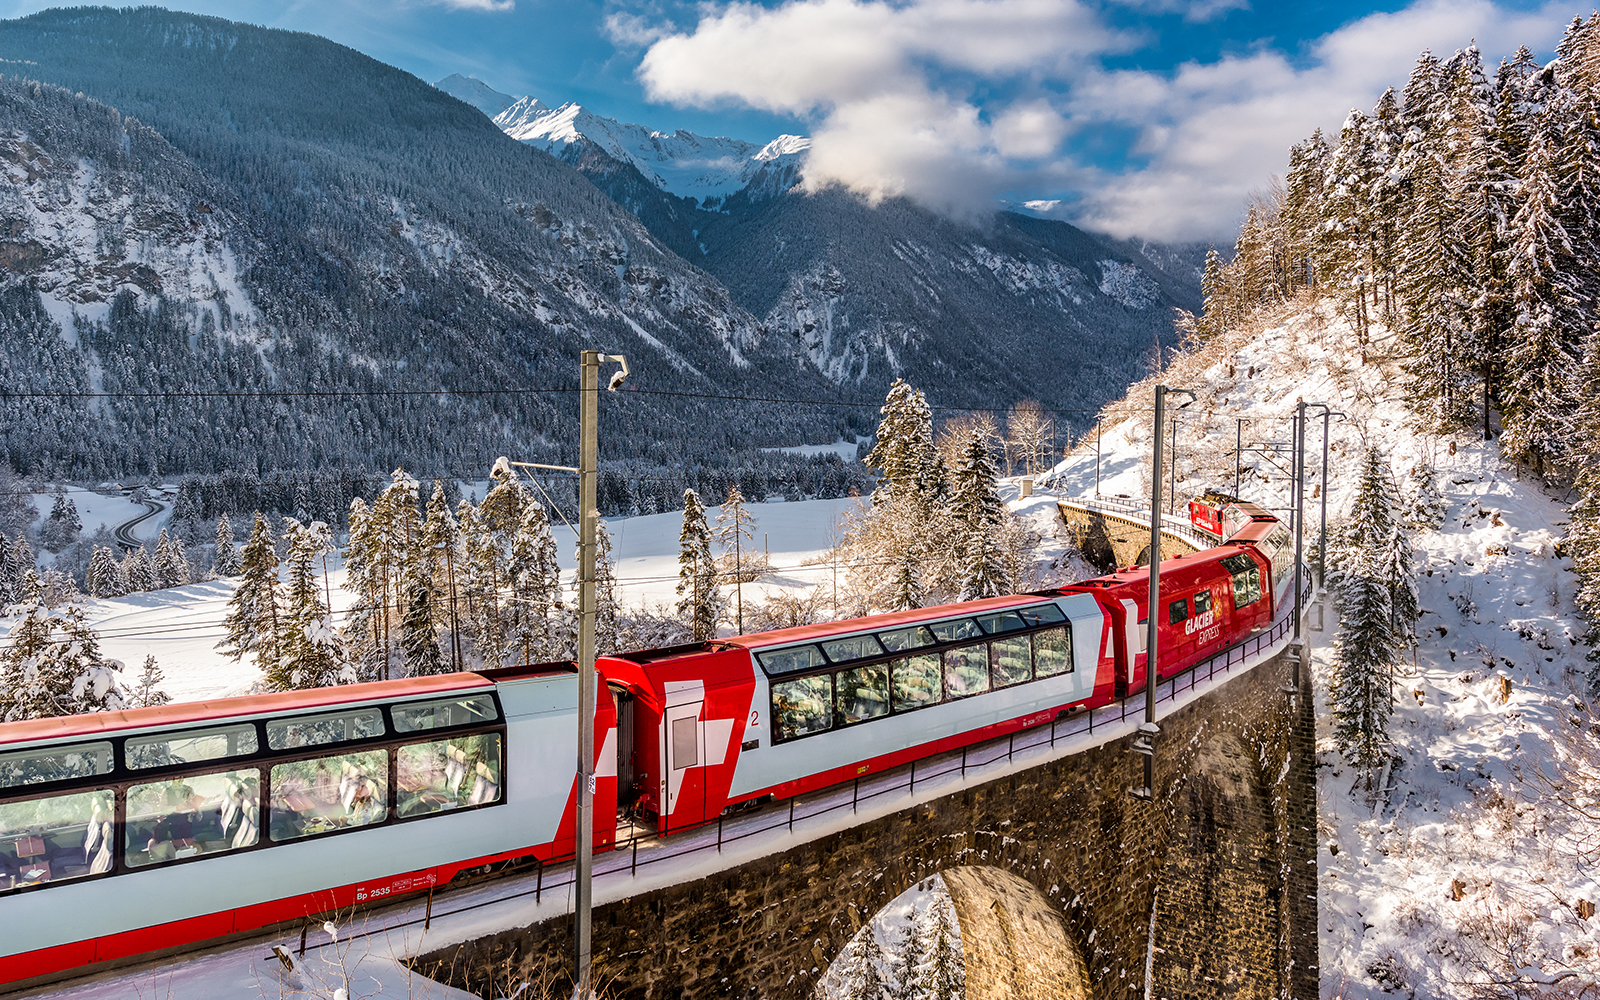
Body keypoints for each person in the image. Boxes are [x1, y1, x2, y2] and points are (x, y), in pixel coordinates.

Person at [147, 785, 196, 862]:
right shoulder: (167, 844)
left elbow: (193, 802)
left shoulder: (150, 842)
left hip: (185, 822)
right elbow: (174, 856)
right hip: (175, 823)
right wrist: (176, 808)